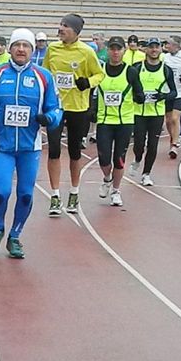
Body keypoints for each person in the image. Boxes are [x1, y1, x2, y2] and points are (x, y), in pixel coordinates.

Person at [0, 28, 62, 258]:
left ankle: (15, 235)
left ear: (32, 50)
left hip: (29, 147)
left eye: (26, 46)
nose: (21, 49)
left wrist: (49, 118)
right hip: (1, 145)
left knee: (25, 195)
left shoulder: (43, 77)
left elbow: (55, 108)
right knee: (1, 192)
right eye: (17, 45)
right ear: (10, 48)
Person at [43, 13, 105, 215]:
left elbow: (99, 74)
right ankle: (54, 195)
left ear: (76, 31)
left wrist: (88, 83)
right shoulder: (52, 49)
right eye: (60, 24)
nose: (60, 28)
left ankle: (74, 192)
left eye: (65, 26)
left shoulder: (87, 52)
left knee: (75, 151)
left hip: (78, 107)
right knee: (53, 150)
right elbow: (44, 74)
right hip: (56, 107)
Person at [95, 36, 144, 206]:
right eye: (112, 49)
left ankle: (116, 191)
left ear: (124, 51)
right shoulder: (100, 70)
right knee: (103, 158)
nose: (115, 52)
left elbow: (139, 93)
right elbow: (93, 92)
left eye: (118, 49)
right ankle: (107, 178)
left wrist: (140, 97)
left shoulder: (131, 71)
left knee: (119, 158)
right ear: (107, 51)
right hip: (104, 120)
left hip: (124, 121)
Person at [129, 37, 177, 186]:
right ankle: (137, 159)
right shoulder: (136, 68)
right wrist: (137, 97)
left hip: (156, 113)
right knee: (138, 144)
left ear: (161, 49)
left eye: (157, 47)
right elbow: (128, 88)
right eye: (151, 47)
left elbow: (174, 92)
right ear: (146, 49)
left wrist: (163, 96)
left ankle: (146, 174)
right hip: (138, 112)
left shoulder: (166, 69)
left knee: (153, 144)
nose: (154, 50)